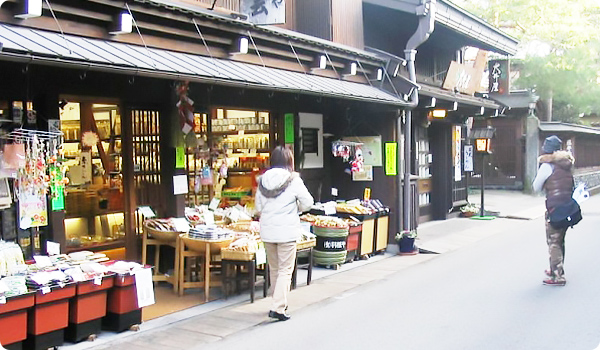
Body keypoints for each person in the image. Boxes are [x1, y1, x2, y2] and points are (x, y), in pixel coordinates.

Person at [255, 146, 314, 321]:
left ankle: (278, 301)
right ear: (289, 161)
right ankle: (278, 307)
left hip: (267, 230)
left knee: (274, 269)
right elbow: (308, 202)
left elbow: (258, 207)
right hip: (287, 231)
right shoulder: (293, 180)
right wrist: (298, 209)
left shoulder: (262, 181)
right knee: (285, 269)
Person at [532, 135, 575, 286]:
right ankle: (555, 268)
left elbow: (535, 187)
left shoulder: (547, 166)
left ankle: (558, 276)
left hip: (554, 208)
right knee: (560, 239)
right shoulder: (567, 164)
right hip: (568, 206)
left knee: (553, 242)